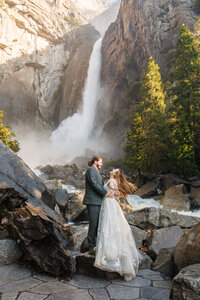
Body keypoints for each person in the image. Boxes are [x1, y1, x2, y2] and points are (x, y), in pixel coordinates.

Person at [94, 169, 142, 281]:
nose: (113, 169)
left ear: (115, 174)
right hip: (109, 203)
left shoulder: (111, 180)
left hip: (109, 204)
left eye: (115, 170)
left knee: (110, 226)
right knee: (111, 226)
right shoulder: (112, 180)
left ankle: (112, 255)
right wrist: (116, 191)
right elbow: (114, 191)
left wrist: (115, 189)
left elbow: (112, 187)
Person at [83, 156, 113, 255]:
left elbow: (100, 185)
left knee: (98, 224)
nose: (102, 164)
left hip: (98, 201)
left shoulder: (96, 171)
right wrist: (106, 193)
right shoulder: (91, 170)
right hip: (92, 202)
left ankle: (96, 245)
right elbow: (95, 185)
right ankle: (91, 246)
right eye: (100, 162)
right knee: (93, 224)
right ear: (95, 161)